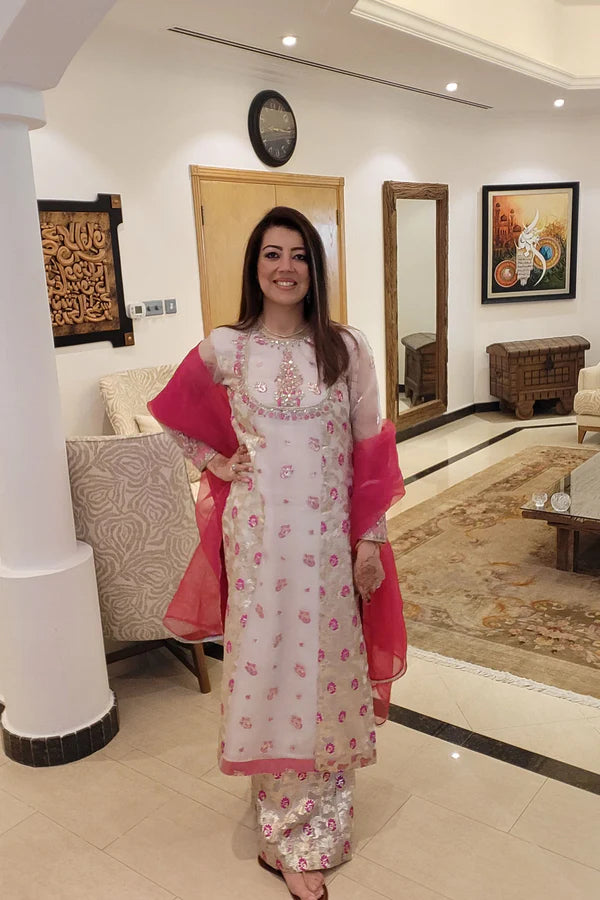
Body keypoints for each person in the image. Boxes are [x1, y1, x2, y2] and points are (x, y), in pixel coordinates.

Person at [149, 207, 406, 900]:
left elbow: (371, 450)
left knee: (323, 672)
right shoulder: (227, 347)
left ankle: (321, 818)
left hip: (327, 545)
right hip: (258, 542)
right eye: (272, 254)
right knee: (270, 671)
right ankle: (287, 828)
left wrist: (371, 537)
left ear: (314, 268)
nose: (285, 267)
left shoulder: (346, 348)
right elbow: (170, 409)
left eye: (298, 255)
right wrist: (213, 460)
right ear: (255, 266)